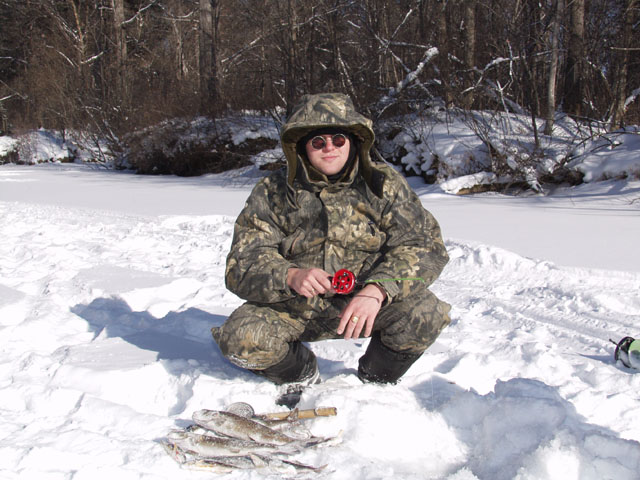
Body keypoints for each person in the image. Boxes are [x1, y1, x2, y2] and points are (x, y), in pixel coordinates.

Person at [212, 93, 451, 399]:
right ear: (301, 145)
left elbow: (424, 245)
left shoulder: (383, 184)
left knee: (426, 314)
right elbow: (242, 264)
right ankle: (300, 373)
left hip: (364, 305)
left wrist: (378, 290)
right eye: (318, 142)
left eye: (338, 139)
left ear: (353, 141)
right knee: (241, 339)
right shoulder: (273, 192)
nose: (329, 148)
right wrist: (289, 276)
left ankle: (376, 379)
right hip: (296, 308)